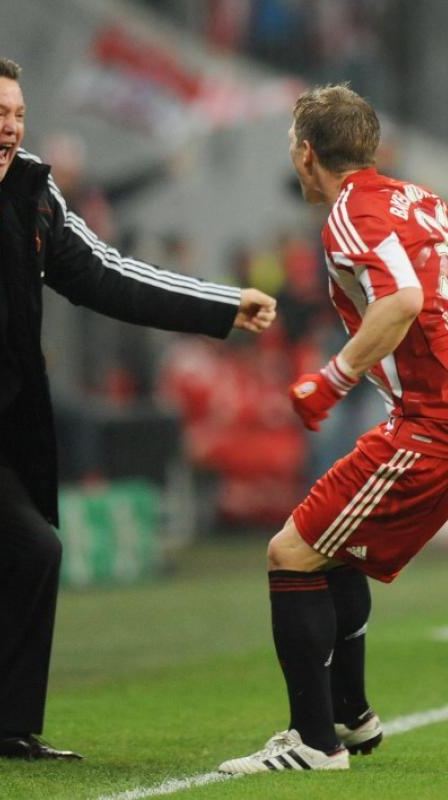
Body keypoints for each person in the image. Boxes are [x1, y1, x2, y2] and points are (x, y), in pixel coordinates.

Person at [0, 51, 276, 766]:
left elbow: (107, 273)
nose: (10, 127)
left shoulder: (29, 193)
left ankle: (4, 730)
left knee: (31, 548)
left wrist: (223, 304)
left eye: (17, 114)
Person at [219, 83, 448, 775]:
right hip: (429, 416)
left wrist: (334, 377)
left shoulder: (350, 213)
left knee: (290, 553)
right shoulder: (422, 201)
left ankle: (312, 742)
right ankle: (349, 714)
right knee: (329, 549)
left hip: (431, 424)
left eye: (293, 140)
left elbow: (403, 299)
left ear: (307, 151)